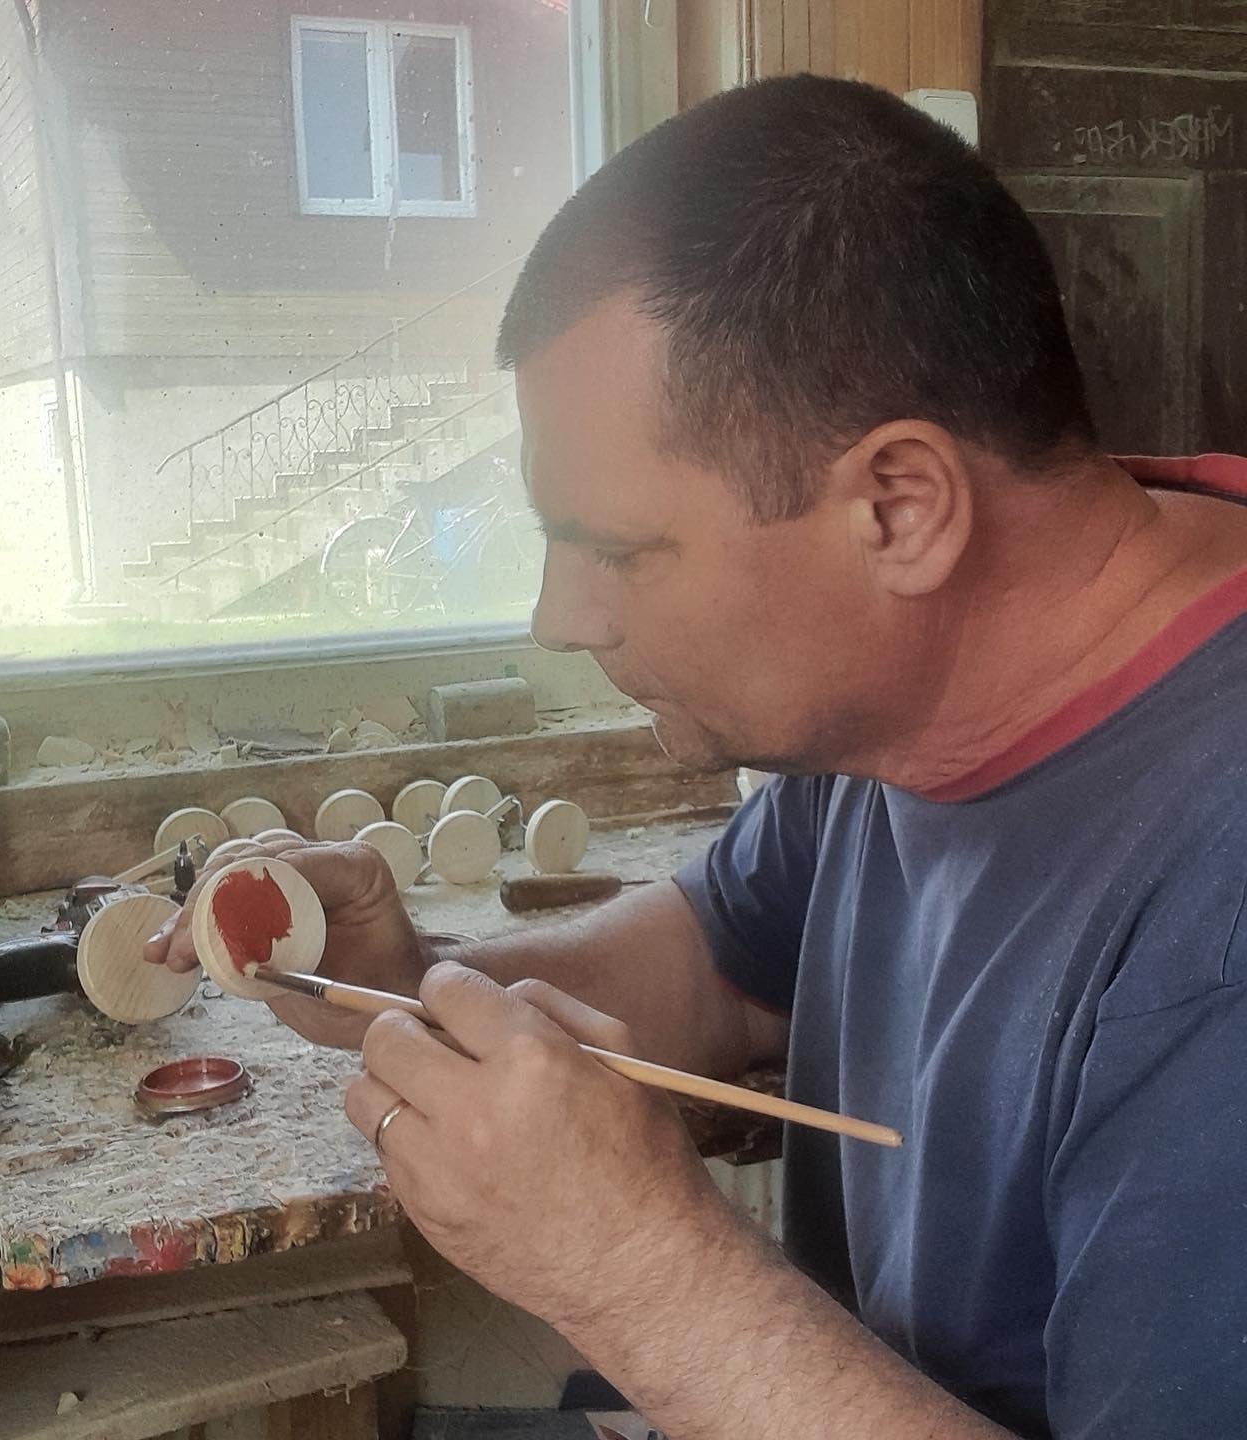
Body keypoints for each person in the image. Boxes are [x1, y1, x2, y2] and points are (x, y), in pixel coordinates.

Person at [147, 75, 1247, 1439]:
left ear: (900, 507)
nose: (561, 620)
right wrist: (408, 977)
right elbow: (718, 967)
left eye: (618, 550)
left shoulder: (1217, 907)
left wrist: (635, 1271)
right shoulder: (908, 684)